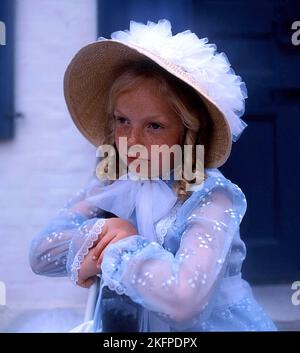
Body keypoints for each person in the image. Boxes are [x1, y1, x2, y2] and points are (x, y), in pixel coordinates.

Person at [29, 19, 277, 332]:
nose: (131, 142)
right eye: (122, 120)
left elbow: (184, 302)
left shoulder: (211, 196)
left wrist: (121, 244)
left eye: (154, 126)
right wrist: (104, 229)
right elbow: (40, 254)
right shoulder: (115, 182)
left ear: (187, 133)